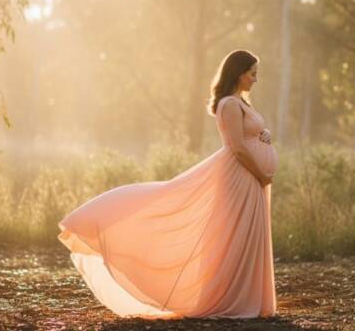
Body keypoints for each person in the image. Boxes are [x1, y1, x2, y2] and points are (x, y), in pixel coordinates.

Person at [57, 49, 277, 319]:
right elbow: (238, 148)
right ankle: (229, 297)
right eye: (253, 74)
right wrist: (261, 174)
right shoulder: (230, 104)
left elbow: (248, 137)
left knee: (244, 237)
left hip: (249, 178)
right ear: (239, 73)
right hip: (241, 177)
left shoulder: (241, 103)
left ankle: (245, 295)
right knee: (234, 236)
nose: (256, 79)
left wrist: (263, 137)